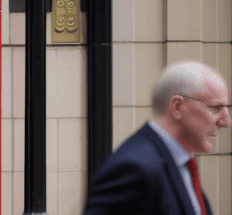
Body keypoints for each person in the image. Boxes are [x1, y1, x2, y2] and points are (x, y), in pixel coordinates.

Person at [83, 61, 231, 215]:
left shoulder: (181, 161)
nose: (226, 122)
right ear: (178, 107)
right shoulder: (134, 169)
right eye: (216, 107)